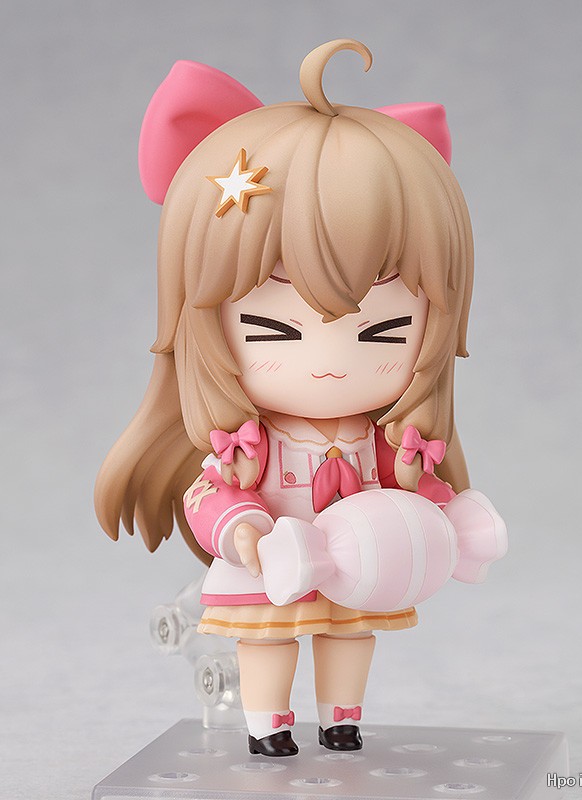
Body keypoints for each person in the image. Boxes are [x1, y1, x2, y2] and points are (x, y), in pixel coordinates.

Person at [95, 39, 503, 757]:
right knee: (268, 642)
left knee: (351, 638)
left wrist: (427, 495)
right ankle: (267, 725)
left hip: (360, 568)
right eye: (273, 328)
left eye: (383, 331)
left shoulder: (379, 438)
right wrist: (242, 529)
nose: (330, 364)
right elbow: (210, 494)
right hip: (269, 564)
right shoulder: (248, 444)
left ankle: (342, 719)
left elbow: (409, 484)